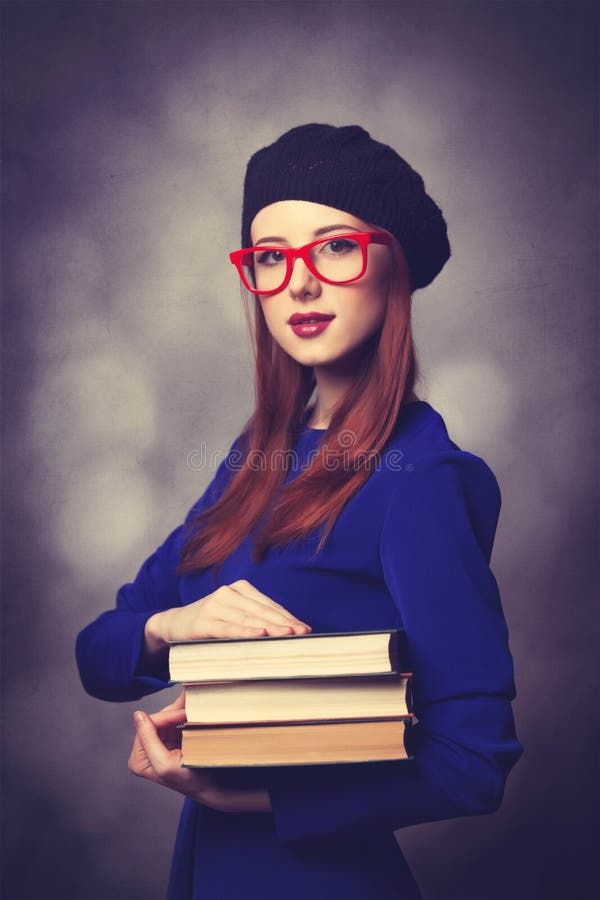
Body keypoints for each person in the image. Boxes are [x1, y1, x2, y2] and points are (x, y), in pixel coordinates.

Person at [75, 123, 523, 900]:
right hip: (207, 874)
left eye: (335, 247)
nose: (300, 285)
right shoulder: (254, 460)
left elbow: (475, 762)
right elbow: (97, 653)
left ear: (394, 268)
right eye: (272, 257)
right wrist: (166, 627)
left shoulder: (422, 478)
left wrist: (247, 796)